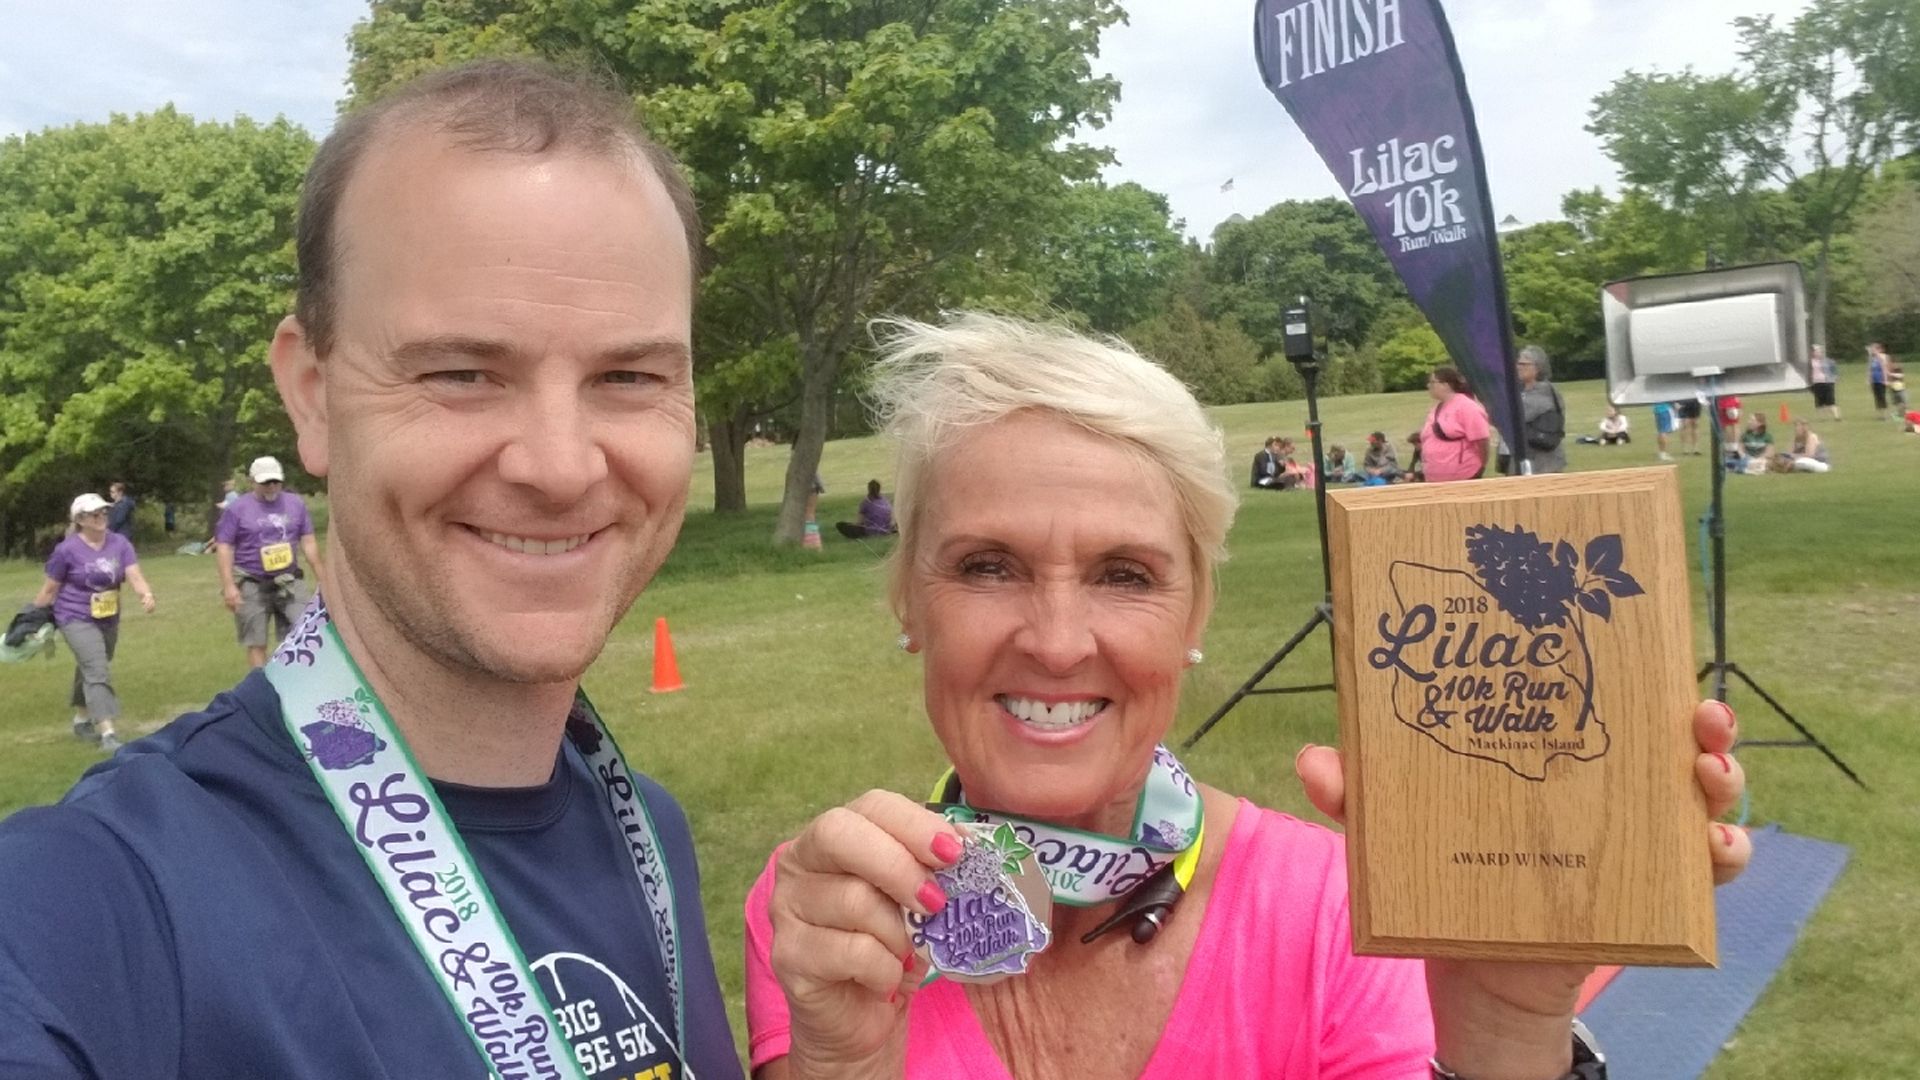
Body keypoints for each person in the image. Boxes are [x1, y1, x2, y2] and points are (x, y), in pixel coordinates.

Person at [742, 313, 1750, 1080]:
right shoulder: (837, 911)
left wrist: (1505, 1024)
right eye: (988, 566)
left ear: (1194, 619)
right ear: (909, 601)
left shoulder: (1333, 907)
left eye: (1126, 576)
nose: (1054, 641)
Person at [0, 61, 742, 1080]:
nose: (561, 465)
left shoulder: (645, 835)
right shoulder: (100, 901)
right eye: (462, 373)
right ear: (312, 394)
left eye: (629, 376)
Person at [30, 493, 156, 752]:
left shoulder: (120, 543)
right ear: (80, 520)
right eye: (94, 514)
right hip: (73, 616)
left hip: (108, 616)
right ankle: (108, 732)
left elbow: (134, 574)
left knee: (91, 665)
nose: (101, 518)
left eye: (103, 513)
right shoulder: (66, 550)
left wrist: (146, 594)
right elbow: (49, 589)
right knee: (97, 668)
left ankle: (81, 719)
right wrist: (32, 620)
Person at [215, 456, 324, 668]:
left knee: (303, 633)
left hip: (289, 580)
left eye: (275, 481)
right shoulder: (237, 509)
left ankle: (297, 685)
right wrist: (229, 586)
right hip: (251, 582)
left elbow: (308, 541)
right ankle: (262, 689)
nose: (271, 487)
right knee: (257, 642)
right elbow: (224, 546)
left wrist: (322, 575)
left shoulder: (295, 504)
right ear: (252, 481)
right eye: (265, 482)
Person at [1417, 366, 1491, 483]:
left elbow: (1482, 440)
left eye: (1432, 382)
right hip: (1434, 478)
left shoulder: (1467, 407)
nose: (1428, 386)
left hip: (1463, 475)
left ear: (1446, 385)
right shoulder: (1437, 408)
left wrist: (1482, 465)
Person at [1513, 345, 1567, 473]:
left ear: (1537, 368)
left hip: (1544, 461)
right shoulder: (1520, 390)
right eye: (1518, 363)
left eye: (1523, 364)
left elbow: (1519, 414)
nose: (1518, 367)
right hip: (1526, 458)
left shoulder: (1544, 390)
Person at [1809, 344, 1840, 421]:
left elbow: (1834, 370)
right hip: (1816, 383)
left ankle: (1837, 417)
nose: (1817, 353)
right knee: (1819, 401)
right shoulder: (1810, 362)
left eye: (1819, 351)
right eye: (1815, 351)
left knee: (1831, 400)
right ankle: (1822, 418)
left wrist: (1835, 377)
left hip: (1827, 382)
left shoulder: (1828, 361)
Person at [1867, 343, 1889, 420]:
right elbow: (1870, 369)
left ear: (1879, 349)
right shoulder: (1872, 358)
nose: (1873, 351)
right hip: (1874, 381)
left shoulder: (1883, 357)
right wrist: (1869, 380)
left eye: (1874, 349)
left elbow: (1884, 369)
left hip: (1881, 380)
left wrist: (1885, 380)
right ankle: (1880, 415)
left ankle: (1885, 415)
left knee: (1882, 397)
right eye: (1872, 349)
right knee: (1877, 398)